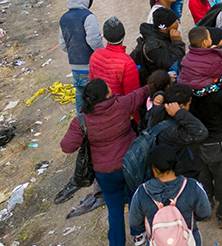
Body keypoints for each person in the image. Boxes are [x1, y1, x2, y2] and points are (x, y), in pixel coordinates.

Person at [60, 79, 153, 246]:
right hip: (130, 165)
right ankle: (138, 235)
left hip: (105, 173)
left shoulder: (82, 120)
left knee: (115, 210)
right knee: (135, 199)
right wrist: (157, 82)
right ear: (107, 94)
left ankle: (117, 242)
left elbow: (66, 147)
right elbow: (140, 93)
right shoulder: (122, 104)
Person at [179, 27, 222, 228]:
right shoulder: (219, 89)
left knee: (204, 176)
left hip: (196, 136)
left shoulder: (189, 76)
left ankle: (206, 208)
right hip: (218, 139)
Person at [128, 144, 212, 246]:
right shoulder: (192, 186)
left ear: (155, 169)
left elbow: (135, 223)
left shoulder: (142, 192)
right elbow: (205, 213)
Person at [143, 84, 210, 178]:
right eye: (188, 105)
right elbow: (201, 132)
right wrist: (179, 113)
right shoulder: (173, 131)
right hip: (179, 174)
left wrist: (160, 94)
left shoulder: (156, 112)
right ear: (181, 106)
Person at [59, 0, 104, 113]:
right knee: (96, 97)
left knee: (80, 96)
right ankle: (95, 122)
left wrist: (75, 51)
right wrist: (102, 53)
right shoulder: (88, 16)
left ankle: (82, 122)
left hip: (74, 66)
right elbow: (94, 40)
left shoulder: (63, 18)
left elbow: (63, 45)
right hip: (90, 65)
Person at [89, 17, 141, 99]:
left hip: (99, 104)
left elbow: (91, 85)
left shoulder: (95, 55)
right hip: (118, 105)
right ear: (124, 34)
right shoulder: (128, 63)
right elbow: (132, 98)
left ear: (104, 36)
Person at [135, 7, 186, 86]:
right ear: (164, 27)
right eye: (174, 21)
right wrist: (177, 42)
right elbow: (172, 64)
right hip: (160, 85)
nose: (177, 22)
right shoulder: (153, 47)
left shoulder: (163, 35)